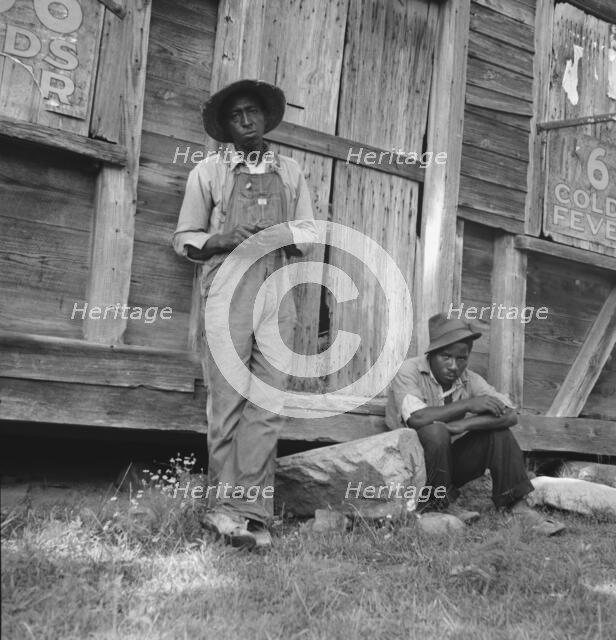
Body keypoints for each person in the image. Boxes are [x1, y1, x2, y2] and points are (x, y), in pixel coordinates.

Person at [173, 79, 317, 549]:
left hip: (278, 289)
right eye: (236, 116)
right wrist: (224, 238)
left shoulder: (292, 172)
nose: (246, 121)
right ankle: (223, 510)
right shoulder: (207, 173)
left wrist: (281, 234)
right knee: (228, 401)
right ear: (226, 127)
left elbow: (309, 234)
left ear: (265, 117)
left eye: (252, 111)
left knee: (268, 403)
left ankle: (249, 513)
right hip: (227, 288)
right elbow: (185, 237)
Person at [386, 312, 565, 535]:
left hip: (445, 465)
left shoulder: (470, 379)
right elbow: (417, 418)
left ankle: (517, 506)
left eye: (461, 358)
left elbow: (510, 415)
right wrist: (469, 405)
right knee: (435, 431)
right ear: (431, 354)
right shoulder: (409, 371)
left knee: (498, 432)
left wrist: (463, 426)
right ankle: (439, 505)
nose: (454, 366)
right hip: (408, 470)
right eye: (446, 357)